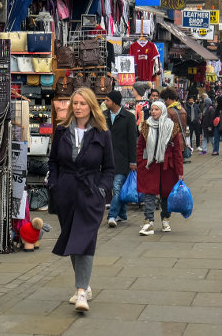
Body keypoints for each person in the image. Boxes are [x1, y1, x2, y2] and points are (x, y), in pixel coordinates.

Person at [48, 87, 114, 312]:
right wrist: (54, 185)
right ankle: (84, 284)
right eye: (74, 103)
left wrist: (102, 190)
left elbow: (109, 168)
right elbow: (53, 162)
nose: (77, 107)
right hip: (65, 192)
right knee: (71, 239)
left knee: (85, 240)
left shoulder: (102, 132)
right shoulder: (61, 130)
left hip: (90, 192)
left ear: (91, 106)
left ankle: (81, 293)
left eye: (82, 103)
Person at [136, 100, 184, 235]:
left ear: (162, 111)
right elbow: (140, 147)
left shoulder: (172, 127)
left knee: (166, 194)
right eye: (152, 109)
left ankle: (165, 220)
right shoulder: (145, 126)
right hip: (150, 165)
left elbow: (177, 152)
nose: (153, 112)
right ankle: (149, 222)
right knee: (149, 193)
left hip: (167, 167)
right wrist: (140, 162)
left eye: (157, 109)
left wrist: (180, 171)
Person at [104, 90, 138, 227]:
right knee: (117, 189)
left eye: (107, 100)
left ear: (114, 102)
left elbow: (132, 141)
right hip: (106, 159)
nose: (105, 102)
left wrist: (133, 161)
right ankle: (122, 214)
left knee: (117, 188)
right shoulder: (103, 116)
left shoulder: (129, 117)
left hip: (122, 159)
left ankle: (112, 216)